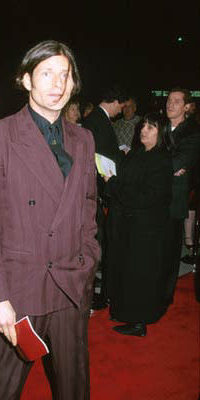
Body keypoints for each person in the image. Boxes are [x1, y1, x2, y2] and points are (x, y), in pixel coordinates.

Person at [0, 40, 100, 400]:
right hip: (18, 292)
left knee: (74, 388)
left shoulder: (83, 139)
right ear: (26, 80)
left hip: (71, 284)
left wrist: (88, 260)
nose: (57, 84)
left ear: (73, 83)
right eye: (46, 74)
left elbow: (88, 207)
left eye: (64, 75)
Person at [104, 113, 173, 336]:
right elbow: (127, 182)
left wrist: (113, 184)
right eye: (143, 125)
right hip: (131, 225)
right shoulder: (138, 153)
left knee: (139, 275)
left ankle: (138, 322)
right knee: (127, 272)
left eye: (151, 127)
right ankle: (125, 312)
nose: (144, 130)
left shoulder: (161, 159)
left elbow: (146, 196)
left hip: (146, 230)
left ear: (160, 133)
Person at [82, 85, 128, 310]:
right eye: (122, 104)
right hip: (95, 188)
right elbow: (103, 154)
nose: (122, 110)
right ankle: (88, 291)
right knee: (94, 239)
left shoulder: (97, 119)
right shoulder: (97, 120)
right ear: (115, 100)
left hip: (97, 187)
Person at [163, 88, 200, 306]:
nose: (170, 104)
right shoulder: (159, 126)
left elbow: (178, 162)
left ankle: (165, 296)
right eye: (169, 100)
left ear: (186, 107)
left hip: (174, 198)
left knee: (169, 250)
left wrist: (159, 161)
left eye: (176, 101)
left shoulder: (192, 132)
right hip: (152, 196)